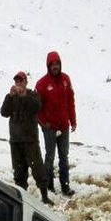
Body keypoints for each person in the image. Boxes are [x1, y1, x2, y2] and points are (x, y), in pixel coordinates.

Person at [1, 71, 52, 205]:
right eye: (17, 81)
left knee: (38, 169)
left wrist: (25, 97)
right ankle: (21, 198)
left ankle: (45, 196)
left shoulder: (32, 95)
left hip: (30, 140)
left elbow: (37, 107)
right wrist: (9, 96)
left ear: (26, 82)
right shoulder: (11, 97)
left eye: (21, 81)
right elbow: (4, 112)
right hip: (16, 141)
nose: (18, 84)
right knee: (19, 172)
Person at [35, 51, 76, 196]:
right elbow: (36, 108)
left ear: (60, 64)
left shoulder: (66, 80)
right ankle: (49, 186)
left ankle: (65, 185)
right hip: (49, 128)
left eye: (57, 64)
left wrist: (73, 120)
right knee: (50, 157)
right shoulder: (41, 84)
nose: (55, 67)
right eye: (52, 64)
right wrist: (43, 123)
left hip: (64, 126)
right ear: (48, 66)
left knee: (64, 157)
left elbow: (71, 101)